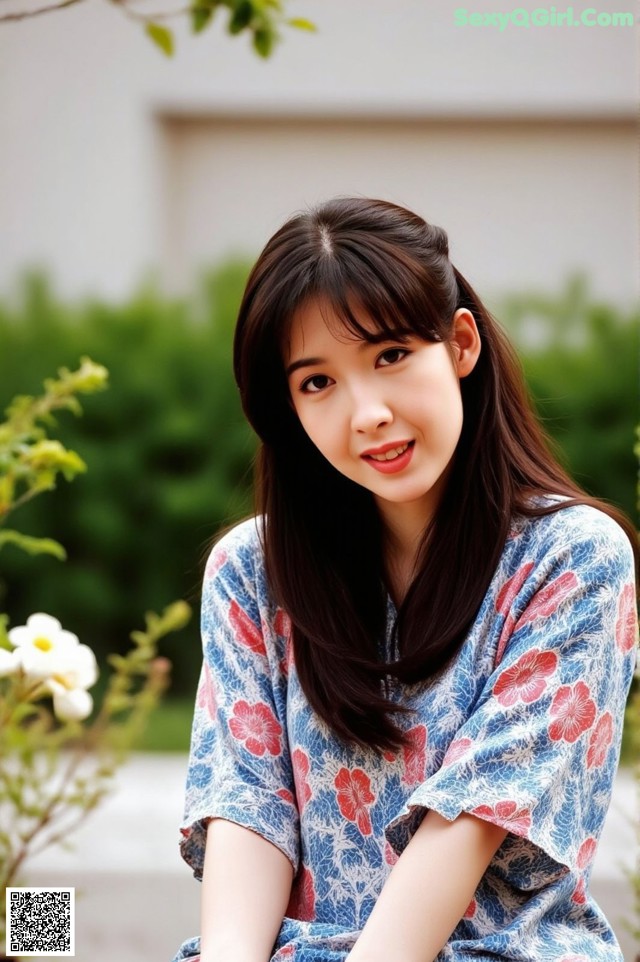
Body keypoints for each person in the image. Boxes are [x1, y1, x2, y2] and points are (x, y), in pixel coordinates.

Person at [172, 197, 638, 962]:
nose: (368, 414)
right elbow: (247, 808)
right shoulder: (252, 573)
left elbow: (467, 825)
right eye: (317, 383)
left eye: (390, 355)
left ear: (459, 343)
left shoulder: (571, 560)